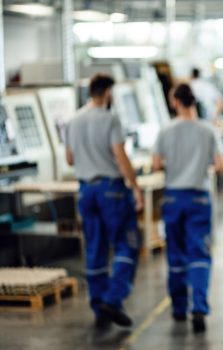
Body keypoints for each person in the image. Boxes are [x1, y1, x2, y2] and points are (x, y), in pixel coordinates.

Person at [65, 73, 144, 329]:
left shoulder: (73, 120)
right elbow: (120, 157)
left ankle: (99, 305)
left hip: (86, 189)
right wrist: (135, 186)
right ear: (108, 93)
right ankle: (114, 298)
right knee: (127, 244)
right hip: (111, 190)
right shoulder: (110, 119)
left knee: (96, 246)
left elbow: (69, 159)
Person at [152, 83, 223, 333]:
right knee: (200, 254)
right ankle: (198, 307)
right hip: (199, 198)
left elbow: (155, 165)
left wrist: (175, 165)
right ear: (194, 102)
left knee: (175, 255)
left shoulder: (166, 130)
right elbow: (221, 165)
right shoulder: (208, 131)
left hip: (173, 197)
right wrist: (201, 167)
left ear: (175, 102)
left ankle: (178, 308)